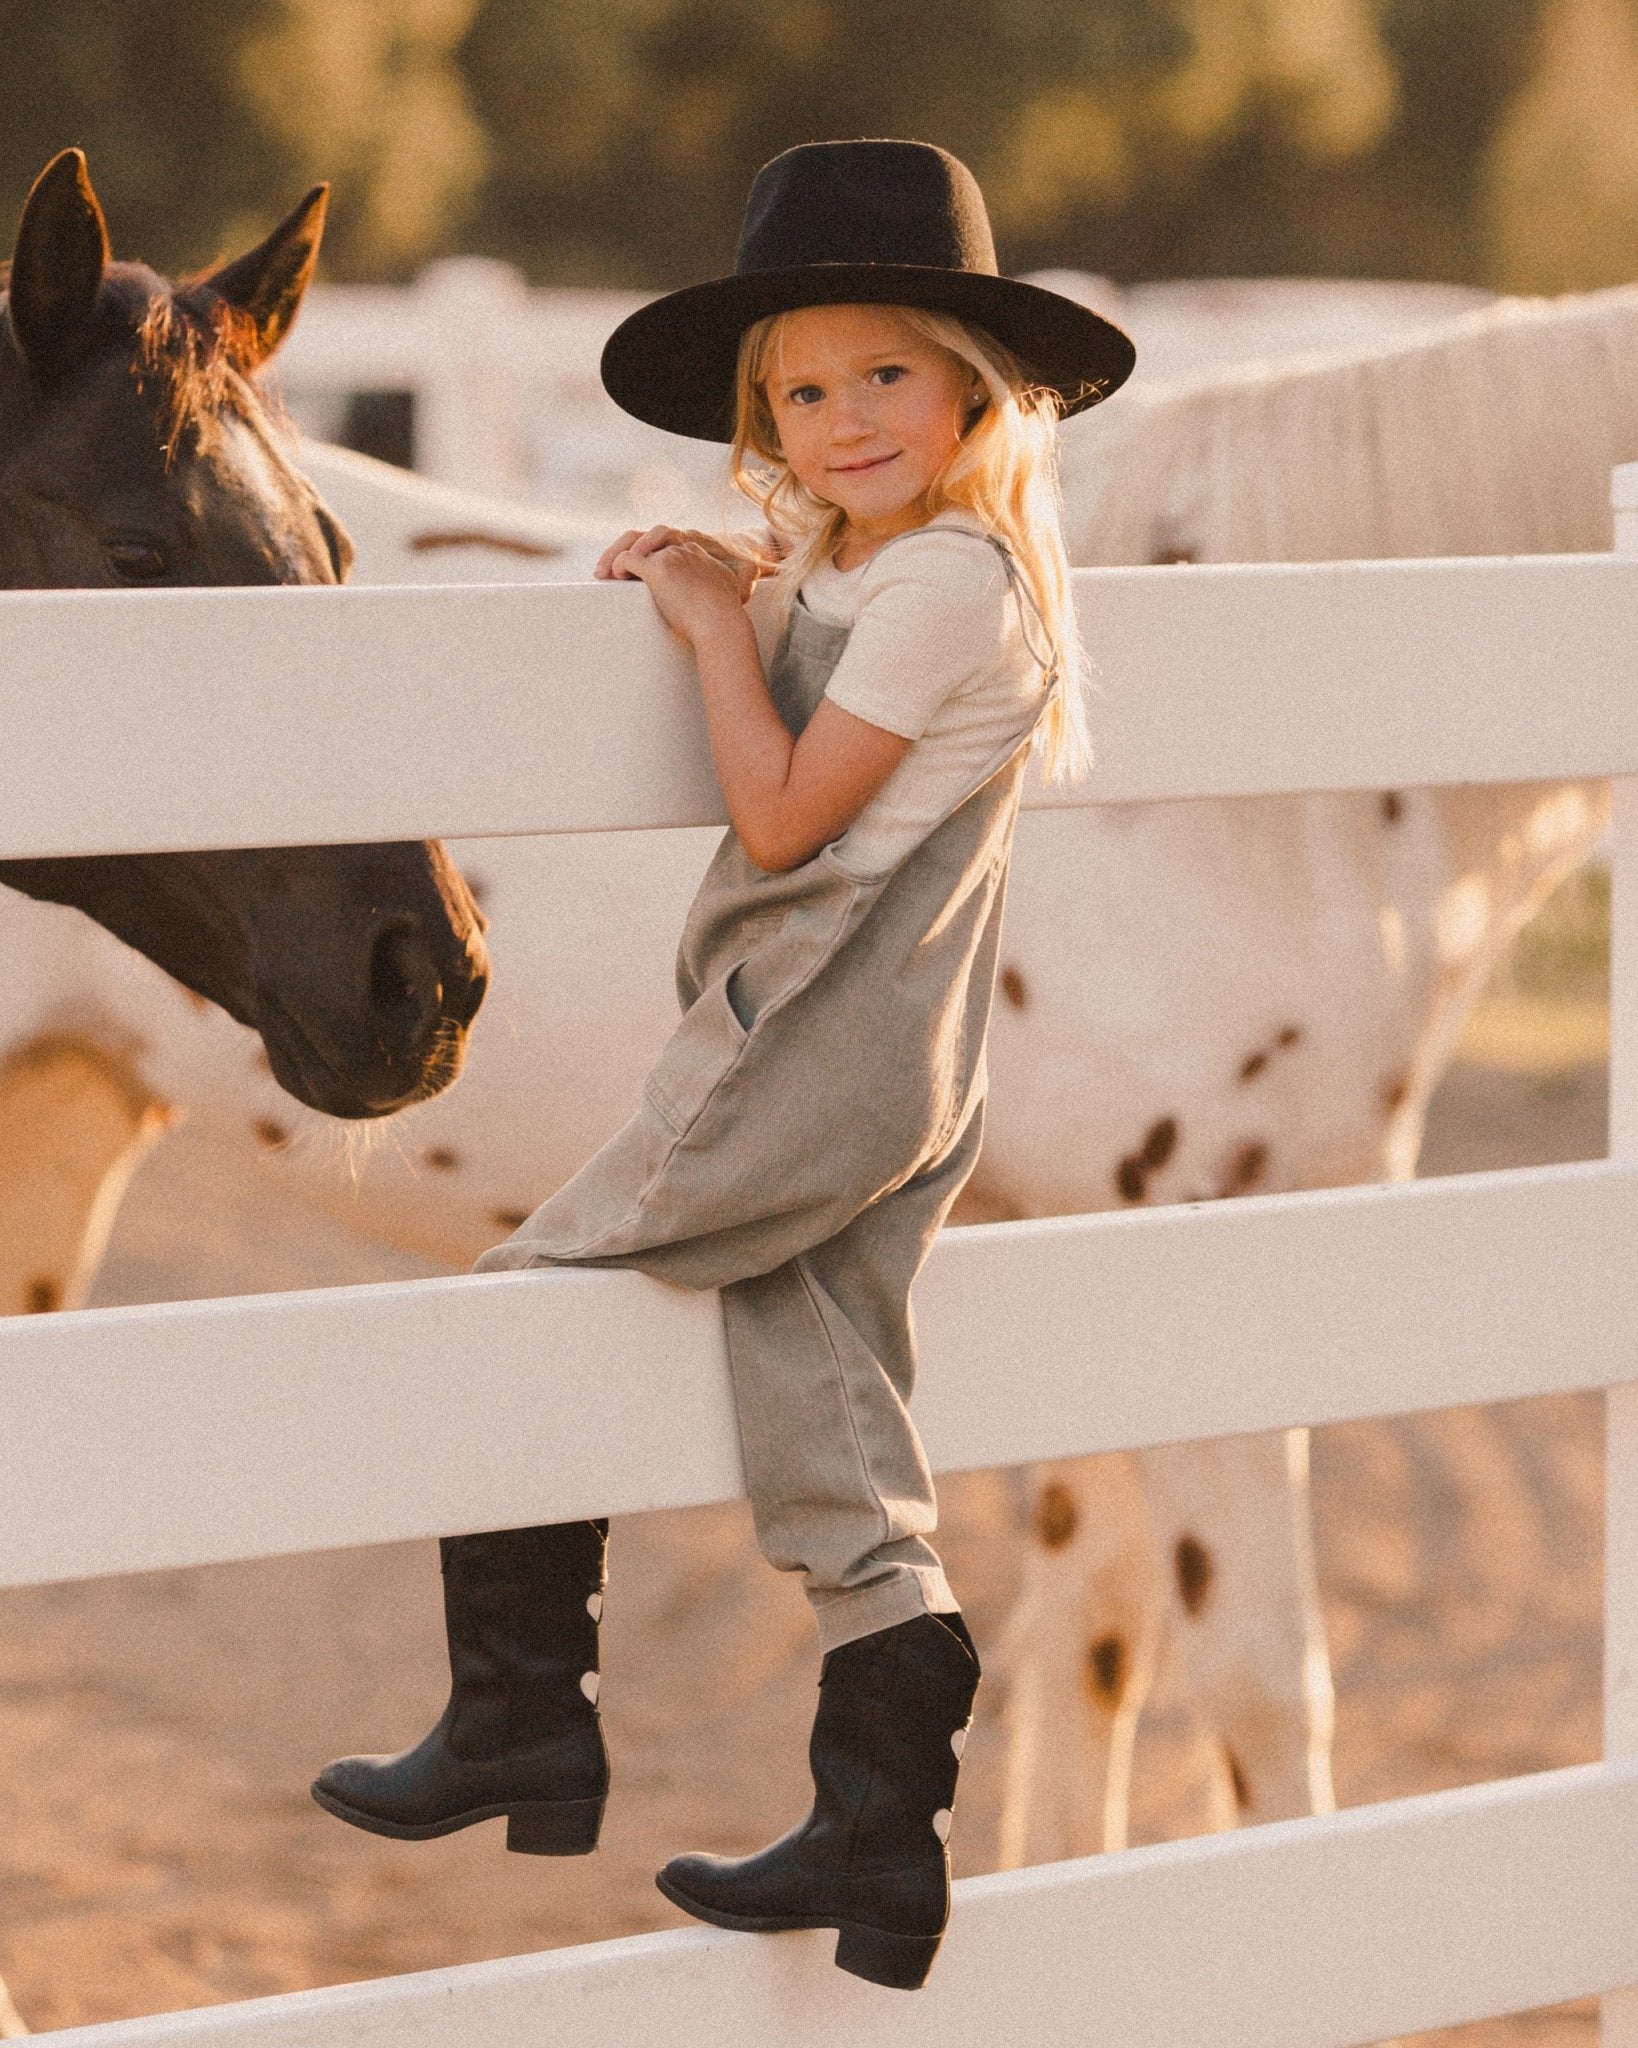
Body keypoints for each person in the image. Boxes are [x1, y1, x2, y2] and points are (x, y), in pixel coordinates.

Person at [311, 138, 1133, 1991]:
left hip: (802, 1053)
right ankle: (882, 1843)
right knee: (828, 1420)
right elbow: (814, 669)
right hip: (890, 1059)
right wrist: (741, 584)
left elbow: (776, 818)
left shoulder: (939, 588)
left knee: (516, 1296)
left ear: (973, 383)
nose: (839, 420)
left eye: (881, 377)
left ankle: (522, 1716)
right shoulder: (901, 566)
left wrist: (699, 624)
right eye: (799, 392)